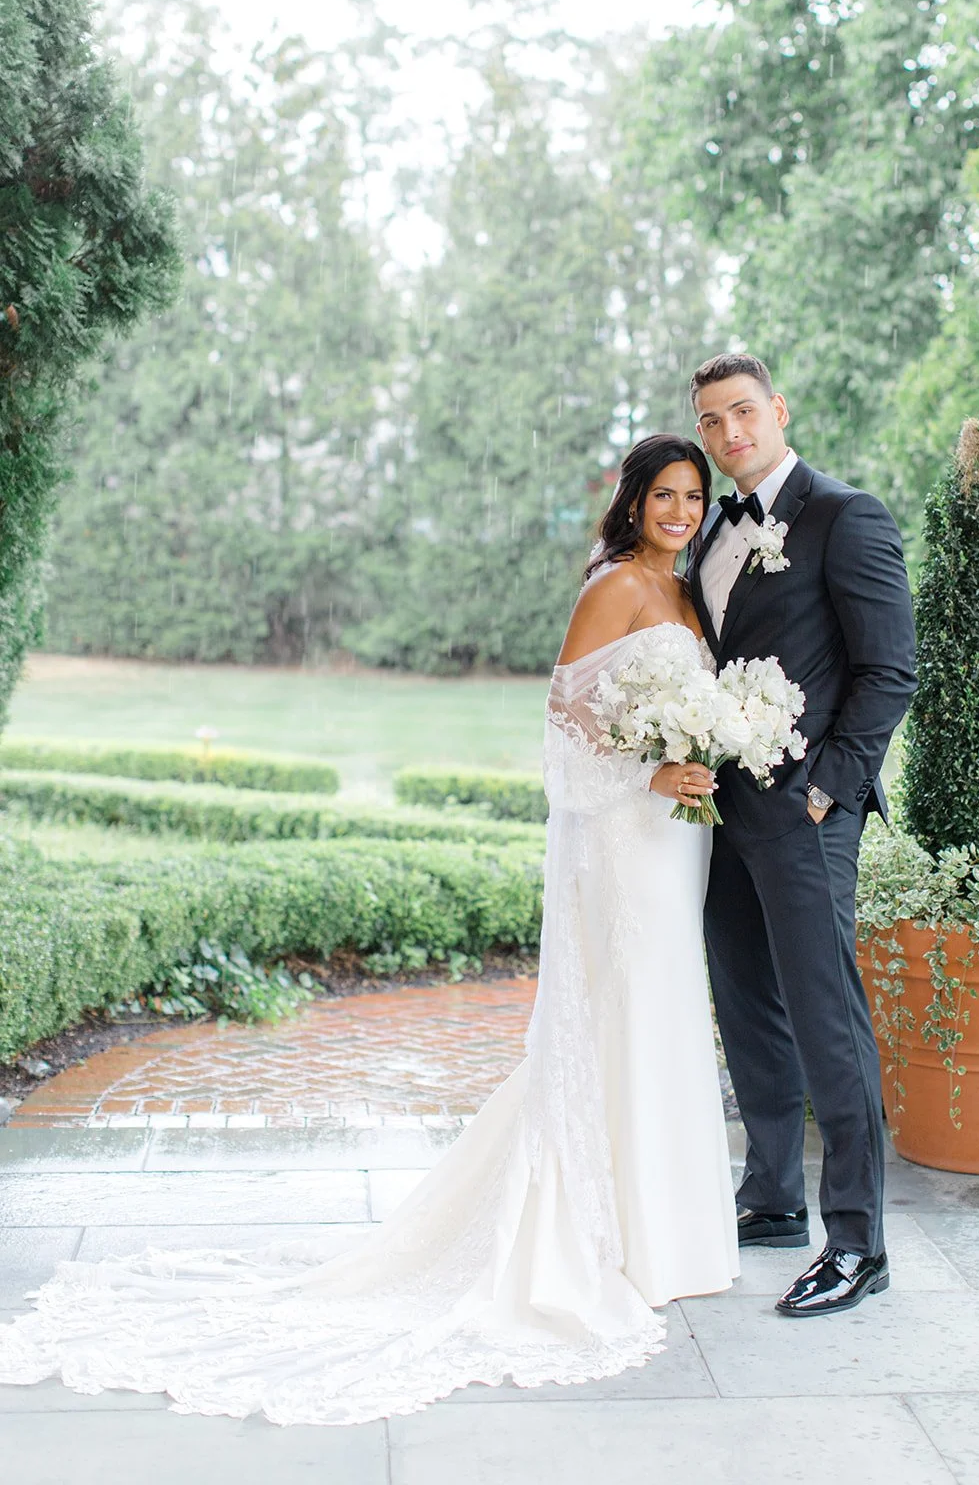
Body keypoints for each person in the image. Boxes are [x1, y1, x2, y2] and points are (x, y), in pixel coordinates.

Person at [0, 434, 738, 1425]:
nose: (682, 511)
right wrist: (648, 773)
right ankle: (607, 1236)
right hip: (618, 837)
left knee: (660, 1021)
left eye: (694, 496)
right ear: (634, 498)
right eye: (666, 494)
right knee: (617, 1020)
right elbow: (564, 740)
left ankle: (668, 1234)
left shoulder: (689, 593)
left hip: (670, 841)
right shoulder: (609, 588)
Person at [689, 352, 917, 1318]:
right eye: (711, 421)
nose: (730, 432)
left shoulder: (843, 516)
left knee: (829, 1020)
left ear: (778, 410)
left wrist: (827, 790)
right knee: (748, 1009)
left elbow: (890, 670)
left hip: (806, 818)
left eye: (744, 411)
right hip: (720, 816)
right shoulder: (706, 530)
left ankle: (858, 1242)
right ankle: (774, 1198)